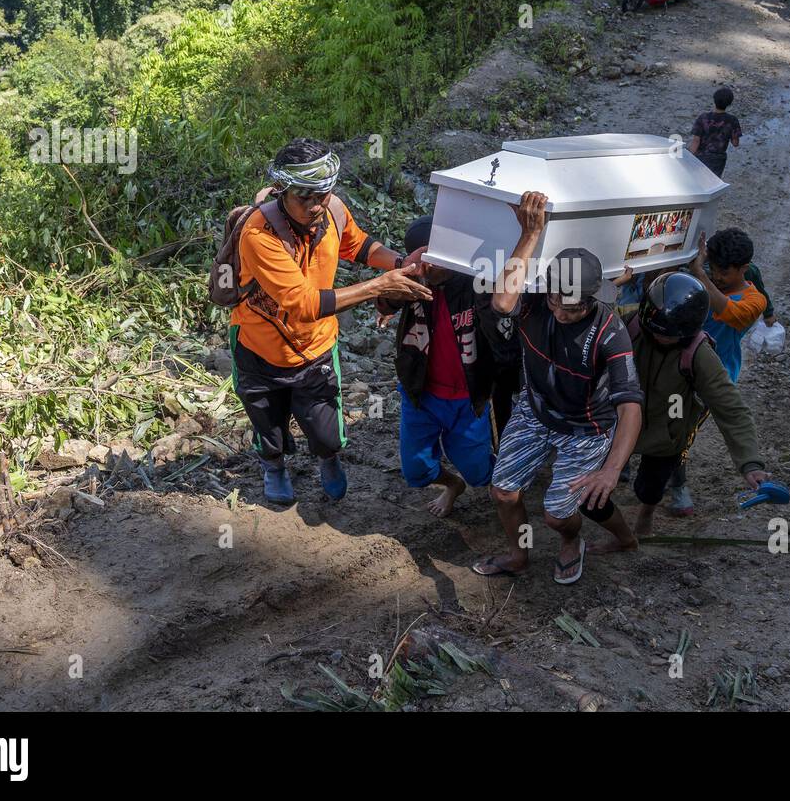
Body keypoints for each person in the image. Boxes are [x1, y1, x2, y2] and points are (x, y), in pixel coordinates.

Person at [229, 138, 431, 505]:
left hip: (316, 347)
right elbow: (302, 304)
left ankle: (329, 459)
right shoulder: (259, 234)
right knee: (267, 423)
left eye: (321, 195)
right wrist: (379, 287)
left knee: (326, 430)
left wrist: (401, 264)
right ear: (282, 192)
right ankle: (274, 467)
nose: (314, 206)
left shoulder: (332, 210)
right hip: (259, 346)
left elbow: (358, 245)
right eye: (303, 197)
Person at [473, 195, 644, 584]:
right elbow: (501, 301)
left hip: (586, 430)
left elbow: (630, 406)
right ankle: (518, 555)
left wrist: (612, 471)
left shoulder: (610, 332)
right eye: (555, 300)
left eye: (573, 308)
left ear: (593, 299)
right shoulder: (537, 301)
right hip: (535, 412)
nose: (561, 312)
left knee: (557, 514)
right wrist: (530, 231)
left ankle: (573, 541)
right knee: (503, 492)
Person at [582, 273, 771, 536]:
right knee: (593, 479)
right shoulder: (628, 324)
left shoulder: (699, 354)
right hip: (620, 421)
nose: (661, 339)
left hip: (668, 430)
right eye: (657, 332)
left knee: (650, 487)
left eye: (669, 336)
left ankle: (646, 512)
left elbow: (730, 407)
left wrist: (750, 464)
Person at [378, 216, 505, 518]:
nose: (429, 270)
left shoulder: (476, 281)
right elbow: (383, 304)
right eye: (422, 262)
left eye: (435, 261)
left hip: (467, 398)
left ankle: (504, 490)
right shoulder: (411, 281)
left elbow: (503, 313)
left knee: (478, 471)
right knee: (416, 470)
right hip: (421, 396)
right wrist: (406, 272)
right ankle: (452, 485)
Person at [689, 229, 770, 384]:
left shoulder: (756, 301)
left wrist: (700, 274)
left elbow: (730, 312)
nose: (717, 276)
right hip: (684, 367)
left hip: (716, 377)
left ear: (744, 269)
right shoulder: (706, 279)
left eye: (724, 273)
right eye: (713, 269)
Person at [688, 87, 742, 178]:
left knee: (696, 179)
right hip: (718, 160)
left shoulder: (703, 117)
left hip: (700, 157)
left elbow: (696, 141)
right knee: (712, 182)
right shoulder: (732, 120)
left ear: (714, 100)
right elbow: (735, 143)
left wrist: (688, 157)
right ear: (729, 103)